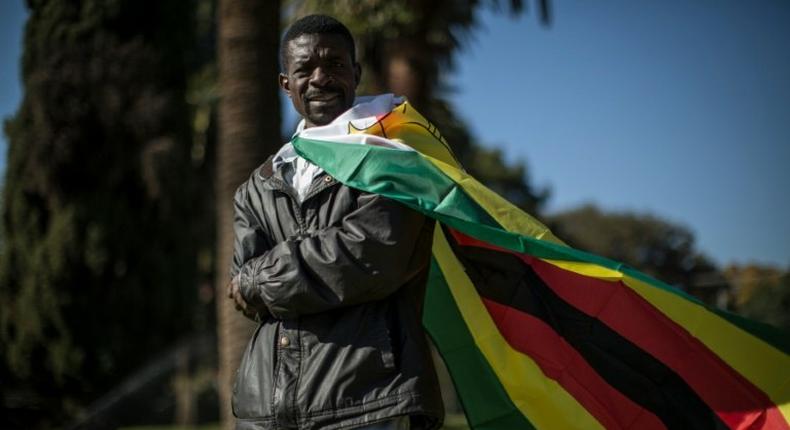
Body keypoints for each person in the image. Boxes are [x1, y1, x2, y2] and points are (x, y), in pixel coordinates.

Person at [226, 15, 444, 430]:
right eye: (304, 69)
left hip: (368, 401)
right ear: (284, 82)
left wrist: (262, 280)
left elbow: (369, 256)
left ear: (356, 73)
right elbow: (241, 284)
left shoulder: (393, 160)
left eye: (335, 65)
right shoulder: (257, 186)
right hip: (264, 411)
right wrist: (261, 281)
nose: (320, 78)